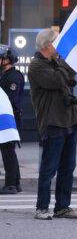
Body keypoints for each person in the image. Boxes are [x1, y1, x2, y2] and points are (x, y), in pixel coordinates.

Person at [29, 28, 77, 220]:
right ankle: (42, 207)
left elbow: (71, 74)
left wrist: (67, 61)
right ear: (48, 45)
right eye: (57, 42)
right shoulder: (36, 65)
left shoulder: (56, 62)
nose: (59, 46)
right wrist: (64, 65)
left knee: (68, 166)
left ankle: (62, 207)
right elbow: (57, 80)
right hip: (53, 122)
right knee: (49, 167)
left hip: (69, 120)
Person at [0, 45, 24, 195]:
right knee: (9, 151)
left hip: (10, 118)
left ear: (7, 60)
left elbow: (11, 99)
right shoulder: (5, 75)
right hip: (7, 118)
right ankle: (16, 183)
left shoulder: (14, 76)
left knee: (8, 151)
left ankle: (11, 184)